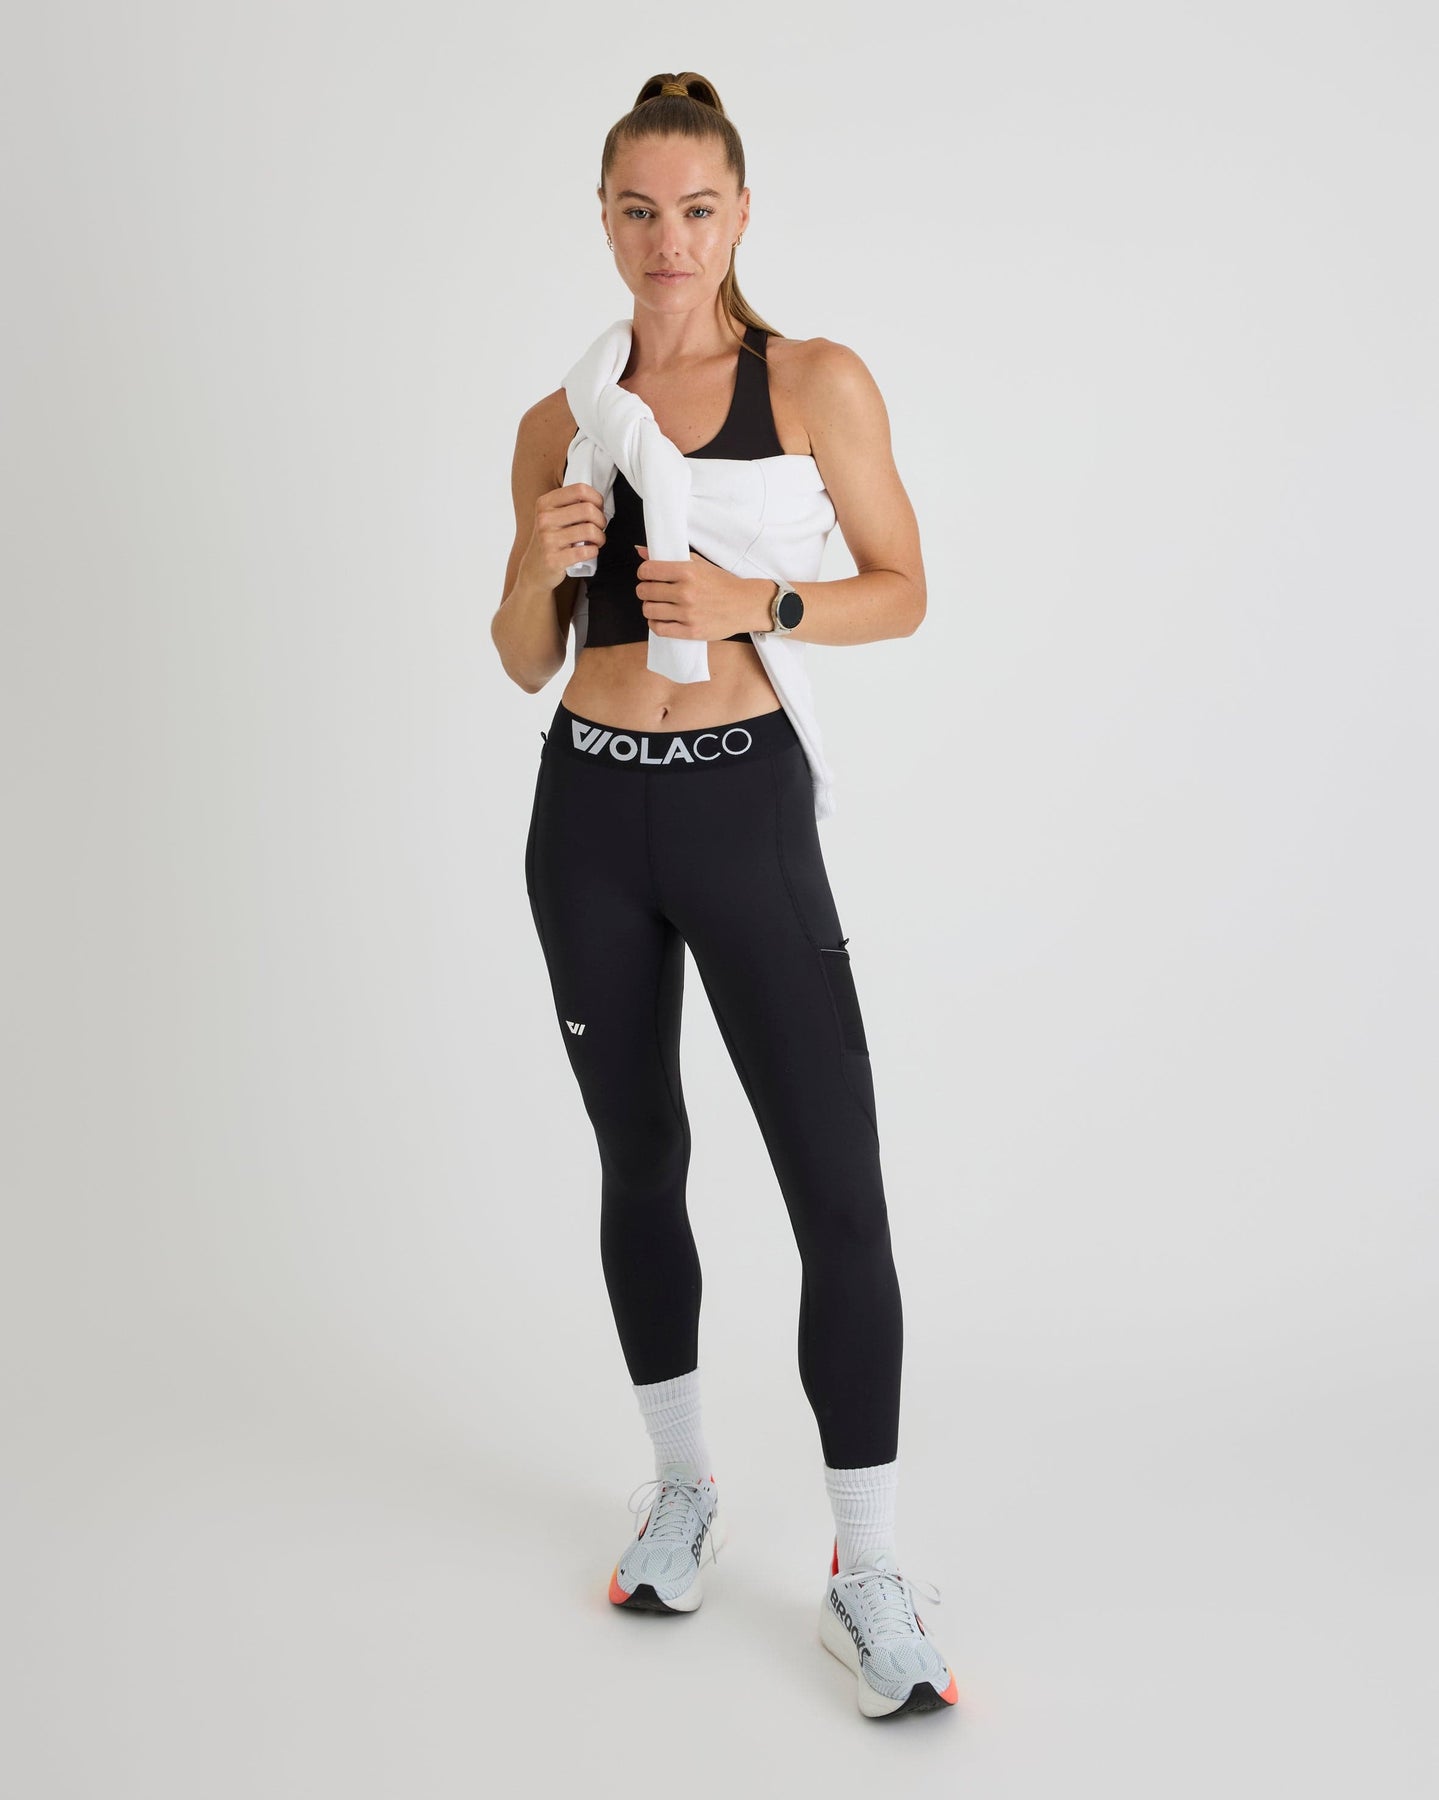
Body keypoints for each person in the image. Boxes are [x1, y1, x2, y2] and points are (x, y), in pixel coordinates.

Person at [492, 70, 956, 1719]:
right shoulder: (563, 422)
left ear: (740, 214)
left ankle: (868, 1570)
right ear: (605, 220)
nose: (668, 240)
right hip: (589, 812)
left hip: (742, 804)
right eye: (638, 211)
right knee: (642, 1156)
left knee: (839, 1187)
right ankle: (683, 1486)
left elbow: (904, 587)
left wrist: (765, 598)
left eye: (696, 210)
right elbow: (522, 656)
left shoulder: (814, 381)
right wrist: (543, 563)